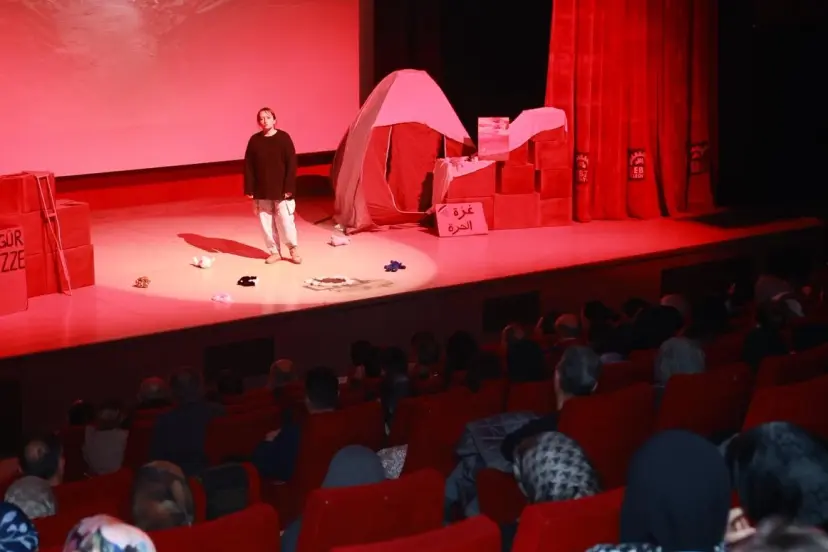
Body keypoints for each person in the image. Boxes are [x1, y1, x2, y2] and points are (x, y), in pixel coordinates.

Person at [244, 107, 301, 265]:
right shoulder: (254, 141)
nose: (265, 121)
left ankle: (293, 249)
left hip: (282, 189)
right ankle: (274, 252)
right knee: (266, 223)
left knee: (285, 221)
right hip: (262, 189)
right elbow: (249, 166)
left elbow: (291, 164)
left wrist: (289, 187)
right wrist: (249, 188)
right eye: (261, 118)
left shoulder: (284, 138)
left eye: (268, 117)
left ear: (274, 120)